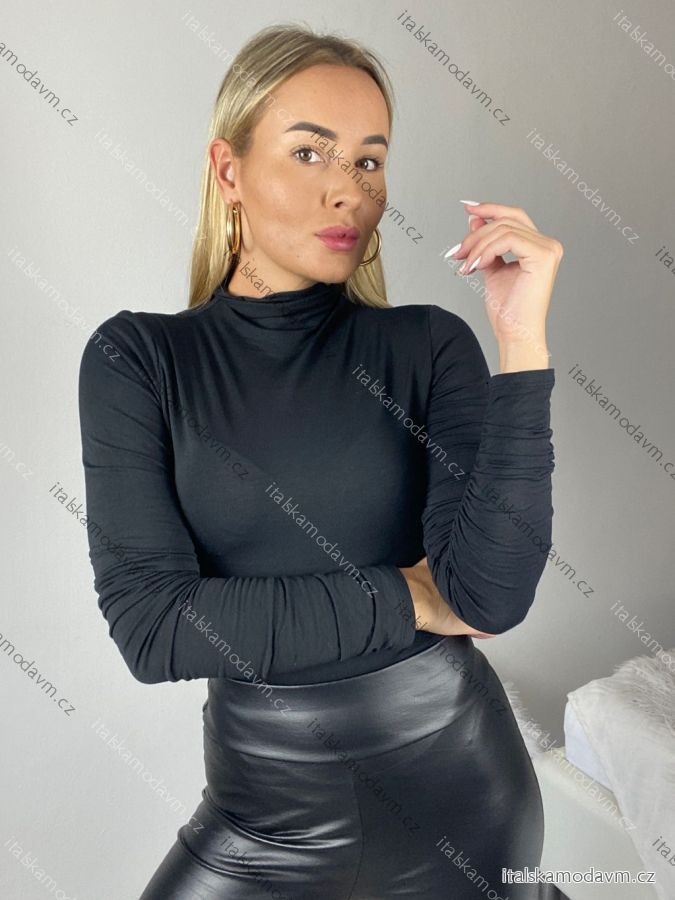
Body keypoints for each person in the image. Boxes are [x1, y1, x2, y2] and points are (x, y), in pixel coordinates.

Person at [78, 21, 561, 900]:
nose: (348, 190)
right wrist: (406, 596)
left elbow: (491, 597)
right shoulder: (139, 359)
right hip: (258, 811)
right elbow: (153, 629)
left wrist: (520, 343)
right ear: (229, 170)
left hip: (457, 794)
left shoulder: (426, 345)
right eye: (309, 153)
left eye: (368, 161)